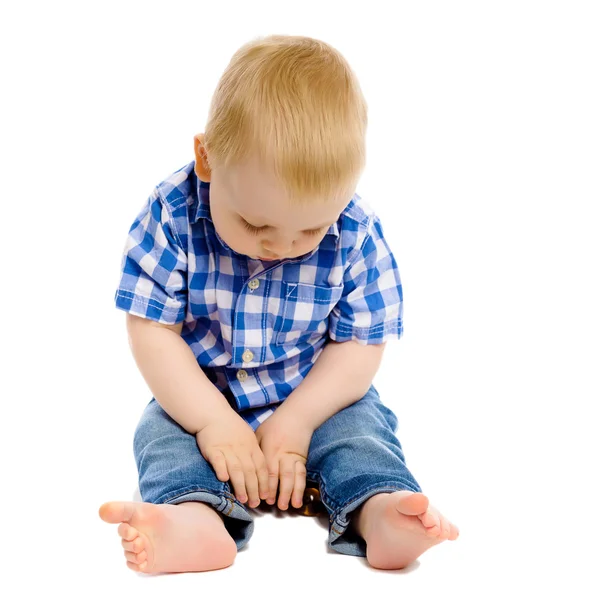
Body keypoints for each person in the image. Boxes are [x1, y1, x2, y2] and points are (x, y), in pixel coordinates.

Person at [99, 34, 459, 574]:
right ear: (207, 159)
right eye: (256, 222)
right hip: (203, 391)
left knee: (361, 432)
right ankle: (193, 519)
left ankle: (380, 509)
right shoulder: (171, 214)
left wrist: (298, 420)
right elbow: (152, 331)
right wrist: (211, 421)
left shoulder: (355, 233)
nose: (282, 246)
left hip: (317, 395)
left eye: (310, 228)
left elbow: (359, 347)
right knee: (160, 435)